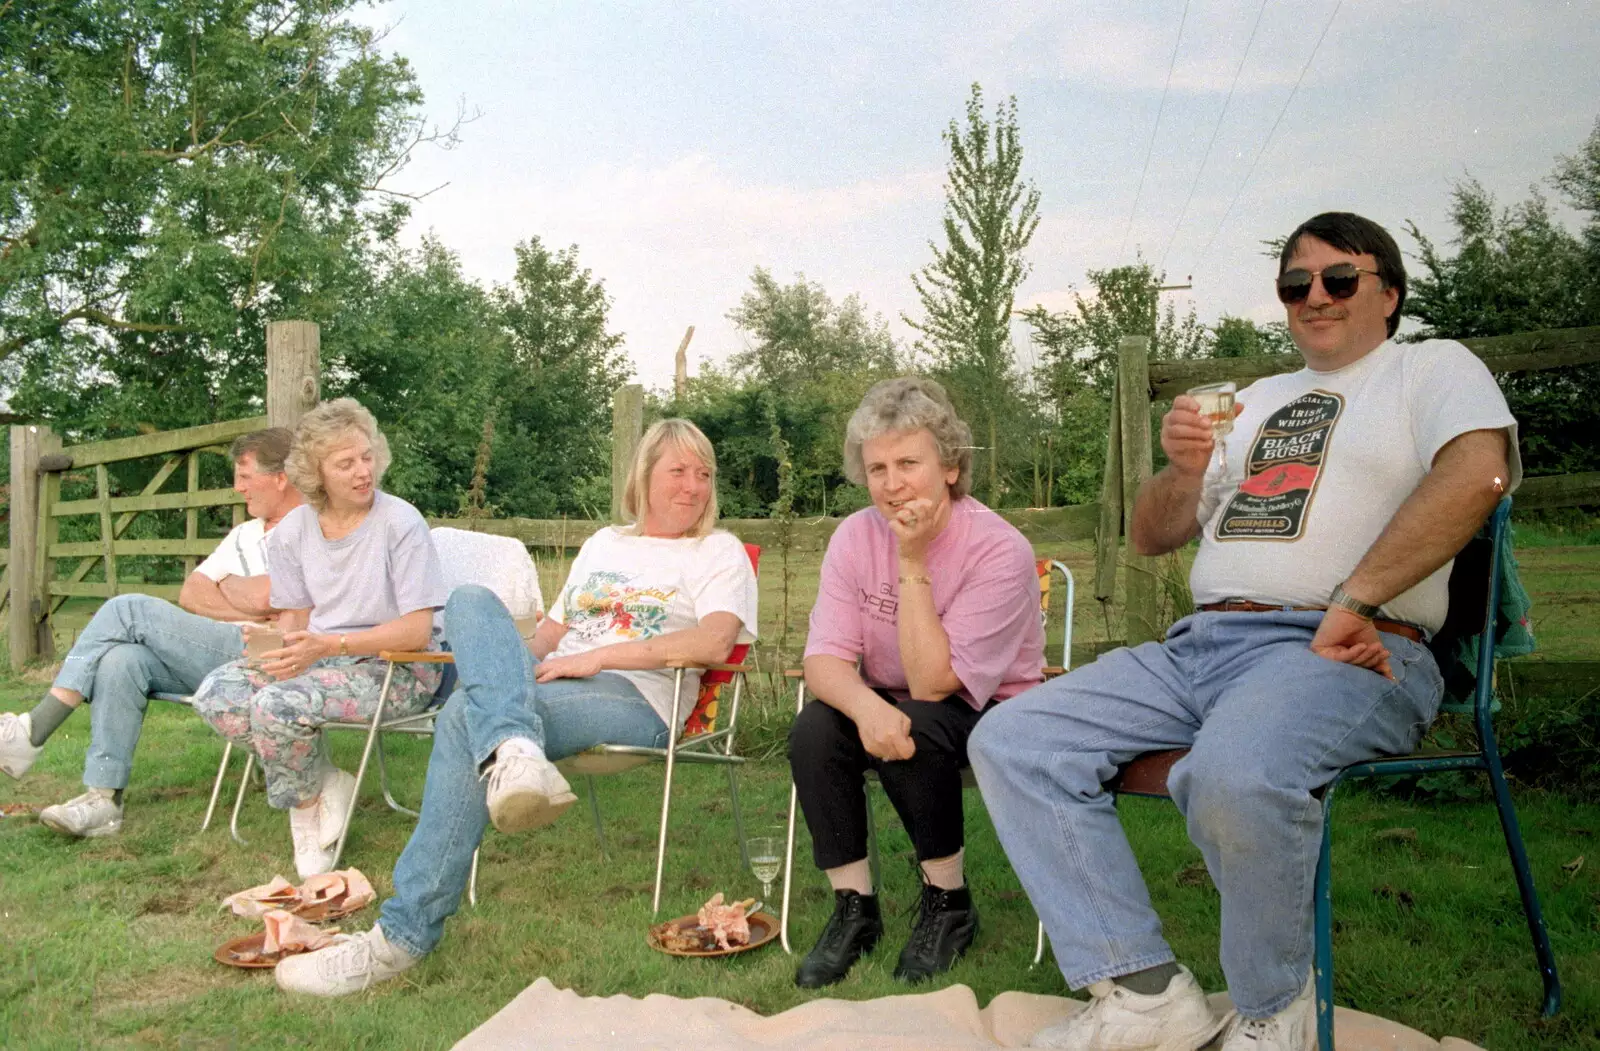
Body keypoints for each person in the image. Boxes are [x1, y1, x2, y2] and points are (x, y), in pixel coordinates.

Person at [969, 212, 1518, 1051]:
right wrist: (1186, 469)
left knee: (1234, 770)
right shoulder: (1255, 400)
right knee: (1014, 737)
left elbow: (1479, 471)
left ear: (1391, 294)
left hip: (1346, 647)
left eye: (1340, 278)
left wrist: (1357, 599)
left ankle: (1271, 1010)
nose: (1315, 297)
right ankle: (1146, 993)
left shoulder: (1430, 369)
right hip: (1200, 647)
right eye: (1296, 284)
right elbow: (1153, 533)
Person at [272, 417, 758, 996]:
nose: (692, 486)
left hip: (635, 695)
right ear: (644, 476)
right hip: (551, 680)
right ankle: (516, 750)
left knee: (461, 718)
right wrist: (496, 662)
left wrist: (600, 658)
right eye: (677, 470)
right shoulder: (606, 543)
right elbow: (549, 637)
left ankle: (400, 938)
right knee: (471, 601)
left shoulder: (716, 551)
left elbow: (713, 644)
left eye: (703, 474)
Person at [787, 377, 1044, 988]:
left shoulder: (999, 550)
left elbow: (933, 684)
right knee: (817, 727)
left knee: (915, 725)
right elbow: (823, 660)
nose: (892, 483)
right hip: (898, 700)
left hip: (990, 709)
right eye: (877, 468)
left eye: (908, 462)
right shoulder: (854, 536)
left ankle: (947, 904)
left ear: (950, 467)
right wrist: (864, 708)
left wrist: (911, 559)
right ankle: (854, 909)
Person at [0, 428, 303, 838]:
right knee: (120, 660)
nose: (237, 487)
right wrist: (242, 599)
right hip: (217, 650)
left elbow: (275, 596)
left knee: (127, 610)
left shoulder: (308, 527)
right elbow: (192, 592)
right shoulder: (244, 534)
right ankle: (103, 799)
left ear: (281, 477)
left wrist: (232, 587)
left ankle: (33, 730)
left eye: (246, 477)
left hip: (267, 655)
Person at [191, 399, 447, 879]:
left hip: (397, 666)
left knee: (277, 707)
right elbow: (298, 617)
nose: (362, 472)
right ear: (316, 473)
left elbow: (416, 629)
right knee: (218, 695)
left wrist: (328, 647)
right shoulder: (293, 531)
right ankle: (325, 782)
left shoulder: (401, 523)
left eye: (366, 457)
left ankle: (305, 823)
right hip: (322, 661)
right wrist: (275, 645)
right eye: (345, 463)